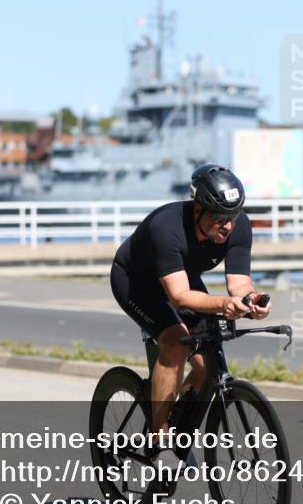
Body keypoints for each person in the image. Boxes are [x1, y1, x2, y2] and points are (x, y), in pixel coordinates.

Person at [111, 164, 271, 443]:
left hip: (183, 277)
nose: (228, 226)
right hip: (137, 282)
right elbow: (179, 296)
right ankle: (159, 438)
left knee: (208, 364)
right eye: (221, 218)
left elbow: (239, 281)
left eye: (233, 216)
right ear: (198, 208)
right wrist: (224, 303)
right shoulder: (166, 227)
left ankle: (177, 417)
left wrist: (250, 299)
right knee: (176, 342)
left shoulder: (237, 226)